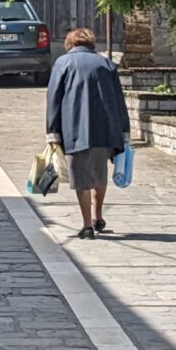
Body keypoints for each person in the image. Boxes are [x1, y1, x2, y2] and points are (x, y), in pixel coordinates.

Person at [44, 26, 130, 240]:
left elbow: (53, 98)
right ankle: (97, 216)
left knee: (81, 177)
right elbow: (119, 99)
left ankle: (86, 226)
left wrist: (52, 130)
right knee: (99, 173)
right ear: (91, 44)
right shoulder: (106, 64)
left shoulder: (62, 63)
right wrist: (124, 130)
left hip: (74, 128)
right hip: (105, 129)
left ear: (70, 44)